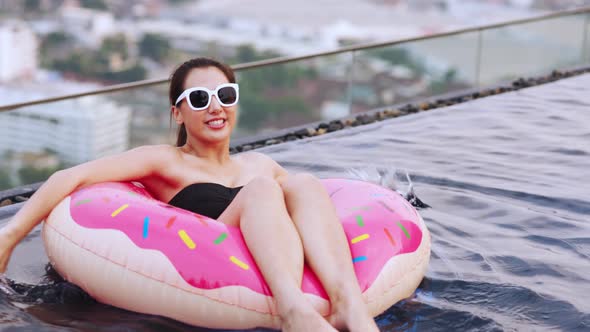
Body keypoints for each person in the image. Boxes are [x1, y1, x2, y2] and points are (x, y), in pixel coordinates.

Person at [0, 57, 379, 332]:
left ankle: (348, 304)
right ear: (178, 114)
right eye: (199, 99)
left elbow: (312, 215)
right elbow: (72, 176)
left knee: (303, 184)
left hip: (276, 248)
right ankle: (293, 311)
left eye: (225, 94)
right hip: (216, 253)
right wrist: (11, 235)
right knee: (264, 190)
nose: (215, 107)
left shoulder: (261, 164)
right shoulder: (166, 163)